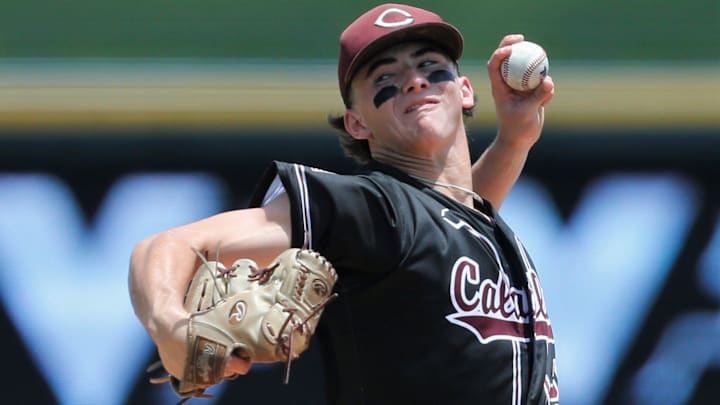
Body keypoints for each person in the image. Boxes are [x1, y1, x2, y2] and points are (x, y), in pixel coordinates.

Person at [129, 3, 558, 404]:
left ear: (464, 91)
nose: (413, 80)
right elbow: (165, 246)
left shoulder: (466, 220)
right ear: (356, 123)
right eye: (385, 81)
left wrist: (514, 139)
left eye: (431, 67)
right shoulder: (372, 207)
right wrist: (170, 325)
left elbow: (450, 225)